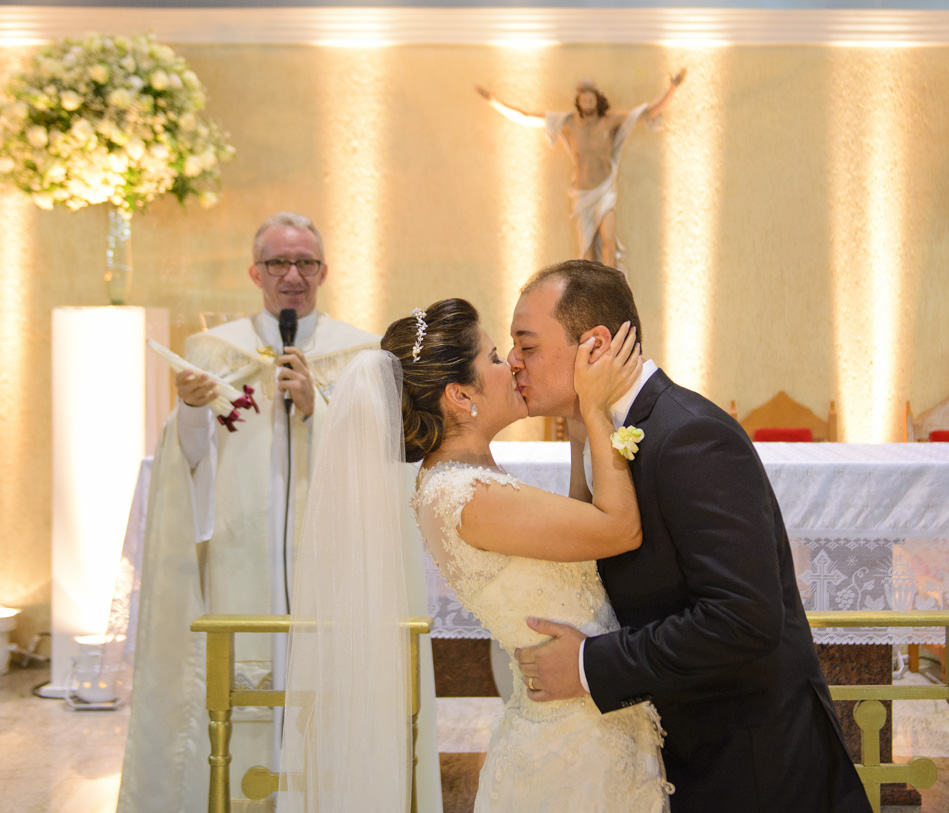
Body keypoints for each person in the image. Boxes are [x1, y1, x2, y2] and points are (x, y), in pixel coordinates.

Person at [508, 260, 874, 813]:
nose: (513, 363)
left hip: (753, 765)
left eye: (527, 346)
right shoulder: (606, 432)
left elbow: (742, 619)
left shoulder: (690, 436)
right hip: (690, 749)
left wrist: (588, 666)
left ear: (595, 345)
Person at [281, 297, 672, 811]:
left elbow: (573, 544)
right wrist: (598, 411)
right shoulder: (464, 494)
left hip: (581, 719)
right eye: (493, 356)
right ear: (460, 393)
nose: (510, 362)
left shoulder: (467, 478)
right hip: (569, 749)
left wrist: (579, 435)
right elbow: (618, 531)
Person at [116, 213, 441, 812]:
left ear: (323, 272)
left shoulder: (363, 355)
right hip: (243, 564)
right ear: (254, 272)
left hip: (332, 566)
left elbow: (383, 463)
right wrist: (189, 413)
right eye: (277, 263)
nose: (292, 275)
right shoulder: (214, 353)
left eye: (305, 263)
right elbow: (187, 466)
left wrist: (318, 411)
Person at [477, 71, 685, 269]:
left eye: (591, 100)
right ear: (579, 102)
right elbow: (528, 117)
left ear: (597, 100)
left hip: (604, 191)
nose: (587, 104)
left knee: (608, 241)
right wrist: (495, 102)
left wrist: (673, 88)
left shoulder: (609, 120)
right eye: (584, 100)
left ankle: (611, 289)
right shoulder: (569, 123)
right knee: (587, 252)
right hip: (583, 194)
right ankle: (591, 296)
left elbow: (648, 111)